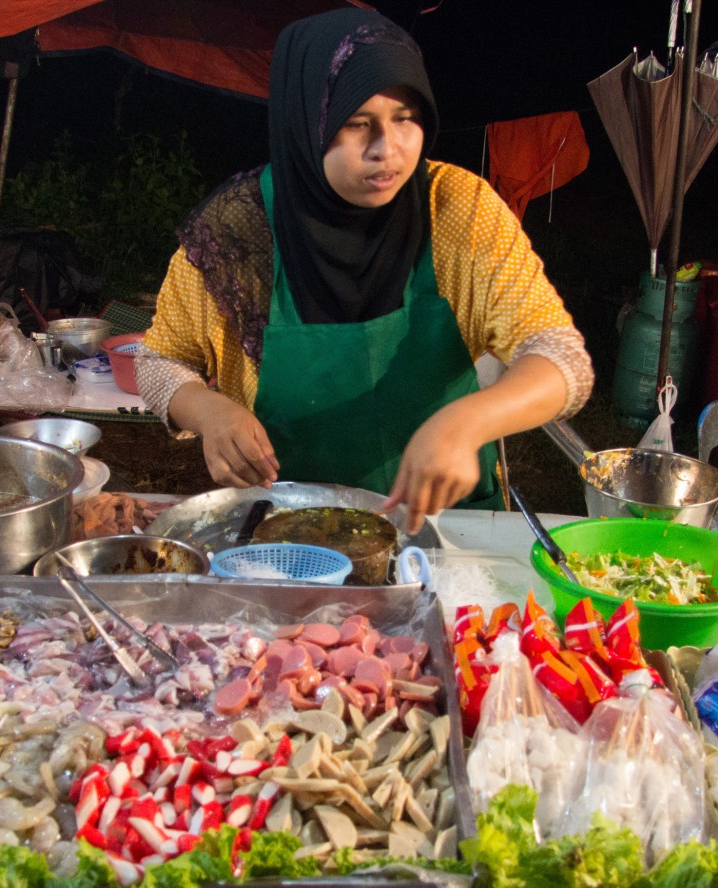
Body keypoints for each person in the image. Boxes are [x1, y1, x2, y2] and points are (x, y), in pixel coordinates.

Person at [135, 7, 592, 532]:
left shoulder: (458, 209)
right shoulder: (236, 232)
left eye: (406, 118)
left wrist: (469, 422)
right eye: (357, 124)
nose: (388, 149)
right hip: (286, 535)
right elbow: (157, 362)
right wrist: (205, 411)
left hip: (443, 531)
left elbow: (563, 360)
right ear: (307, 121)